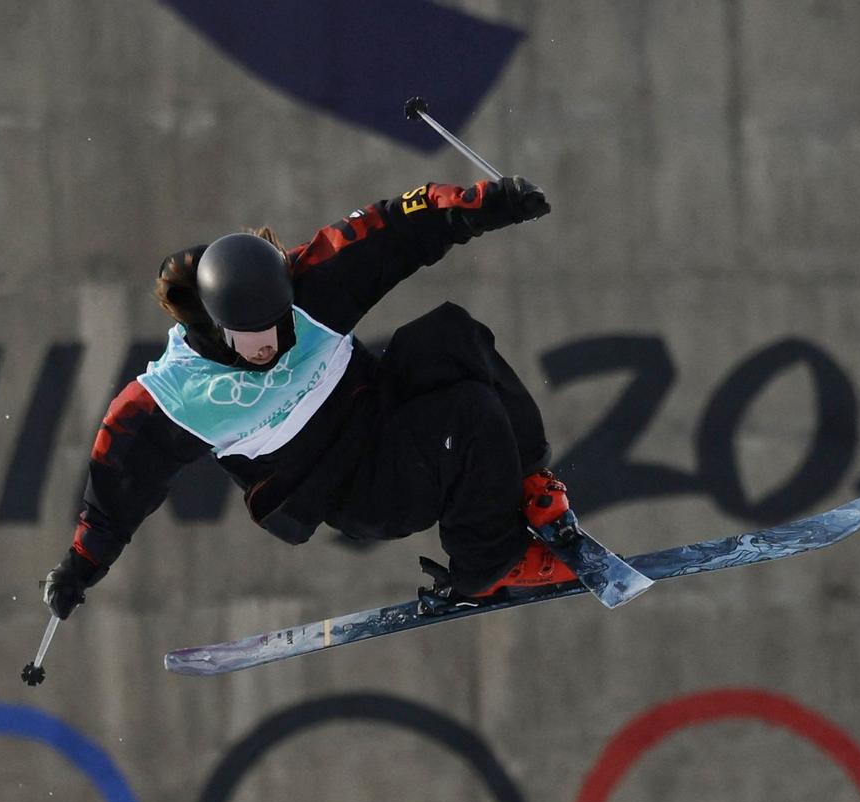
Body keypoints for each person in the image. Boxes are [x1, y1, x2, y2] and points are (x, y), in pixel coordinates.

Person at [41, 176, 576, 626]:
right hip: (361, 490)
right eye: (251, 333)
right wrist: (79, 567)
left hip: (386, 415)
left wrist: (486, 203)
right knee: (468, 414)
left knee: (451, 334)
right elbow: (117, 485)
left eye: (278, 320)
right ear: (217, 327)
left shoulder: (312, 287)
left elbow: (397, 224)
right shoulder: (179, 395)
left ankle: (528, 487)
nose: (271, 341)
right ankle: (488, 566)